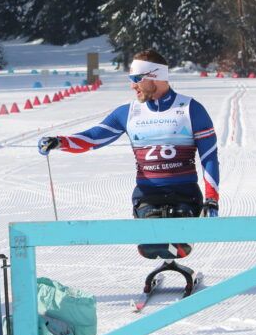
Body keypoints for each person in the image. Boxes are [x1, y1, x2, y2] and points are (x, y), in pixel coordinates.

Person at [38, 49, 219, 282]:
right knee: (150, 248)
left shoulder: (190, 109)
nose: (133, 86)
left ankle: (175, 261)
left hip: (184, 196)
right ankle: (165, 260)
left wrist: (212, 198)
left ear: (155, 76)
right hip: (147, 197)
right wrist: (60, 142)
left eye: (136, 79)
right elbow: (93, 138)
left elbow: (210, 156)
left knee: (178, 244)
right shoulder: (129, 112)